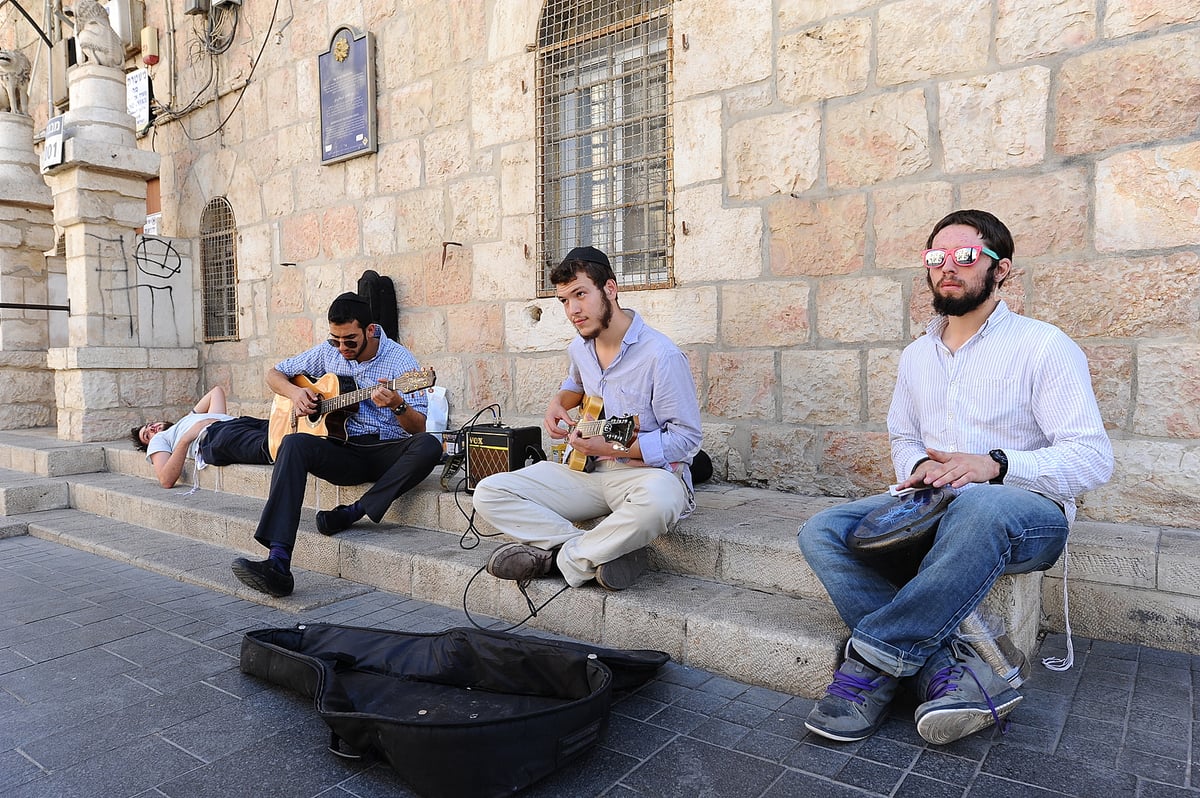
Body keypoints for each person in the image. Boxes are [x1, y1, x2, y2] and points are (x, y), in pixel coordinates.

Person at [798, 210, 1113, 746]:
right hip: (934, 505)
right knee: (822, 530)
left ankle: (872, 663)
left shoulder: (1044, 345)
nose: (949, 267)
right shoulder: (917, 356)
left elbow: (1093, 458)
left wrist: (997, 465)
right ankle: (945, 668)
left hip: (1026, 515)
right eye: (936, 257)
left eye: (966, 256)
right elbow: (903, 439)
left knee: (979, 504)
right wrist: (920, 469)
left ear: (1001, 269)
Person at [471, 246, 703, 591]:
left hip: (643, 477)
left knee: (663, 501)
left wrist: (616, 447)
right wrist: (557, 402)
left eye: (580, 294)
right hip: (584, 470)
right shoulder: (580, 347)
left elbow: (687, 439)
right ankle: (597, 552)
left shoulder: (662, 356)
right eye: (564, 300)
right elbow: (575, 384)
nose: (572, 310)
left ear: (610, 289)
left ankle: (558, 559)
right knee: (489, 491)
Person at [230, 292, 443, 598]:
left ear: (370, 330)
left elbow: (417, 426)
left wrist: (397, 406)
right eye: (336, 340)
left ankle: (354, 512)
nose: (342, 348)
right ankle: (277, 563)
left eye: (350, 341)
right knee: (292, 444)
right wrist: (295, 394)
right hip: (343, 451)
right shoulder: (328, 352)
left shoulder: (401, 361)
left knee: (429, 446)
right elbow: (274, 374)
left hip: (383, 451)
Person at [133, 386, 268, 489]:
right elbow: (165, 480)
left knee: (283, 429)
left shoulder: (186, 420)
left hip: (238, 422)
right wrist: (186, 438)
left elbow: (216, 391)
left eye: (151, 424)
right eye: (147, 435)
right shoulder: (160, 439)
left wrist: (196, 418)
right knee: (274, 445)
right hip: (214, 436)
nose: (151, 428)